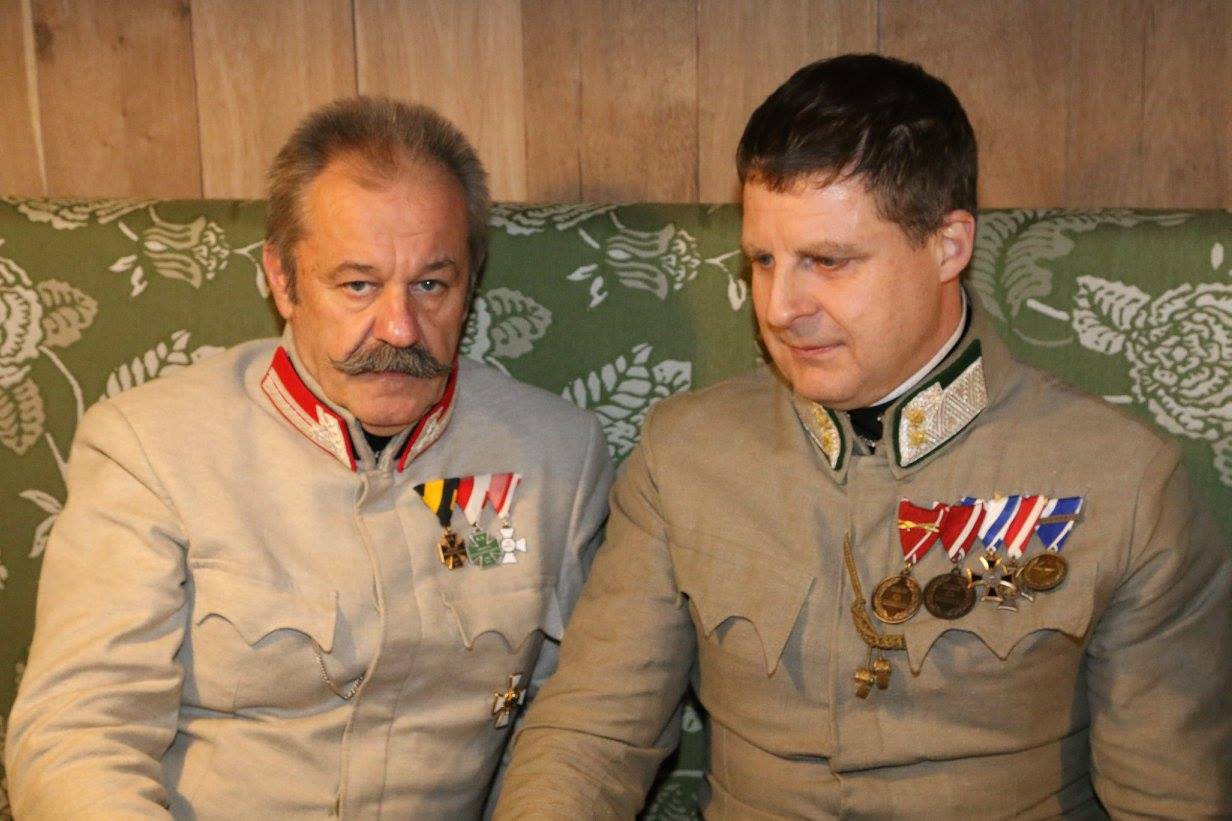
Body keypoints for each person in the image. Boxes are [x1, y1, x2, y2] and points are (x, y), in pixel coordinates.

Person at [494, 54, 1232, 818]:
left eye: (829, 261)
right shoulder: (685, 453)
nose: (781, 307)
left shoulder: (1124, 480)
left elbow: (1170, 798)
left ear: (949, 245)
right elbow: (590, 735)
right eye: (763, 260)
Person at [5, 97, 613, 818]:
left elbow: (569, 731)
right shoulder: (152, 448)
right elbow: (79, 733)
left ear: (471, 282)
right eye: (358, 284)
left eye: (430, 284)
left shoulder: (558, 458)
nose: (399, 328)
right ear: (283, 279)